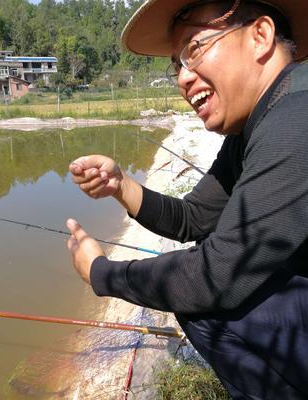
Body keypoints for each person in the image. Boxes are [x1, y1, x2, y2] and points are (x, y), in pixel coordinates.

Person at [66, 0, 308, 398]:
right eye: (177, 64)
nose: (183, 77)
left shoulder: (297, 119)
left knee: (207, 301)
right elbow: (195, 218)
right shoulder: (258, 124)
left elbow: (210, 277)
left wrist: (100, 273)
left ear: (260, 36)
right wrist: (120, 185)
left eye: (194, 49)